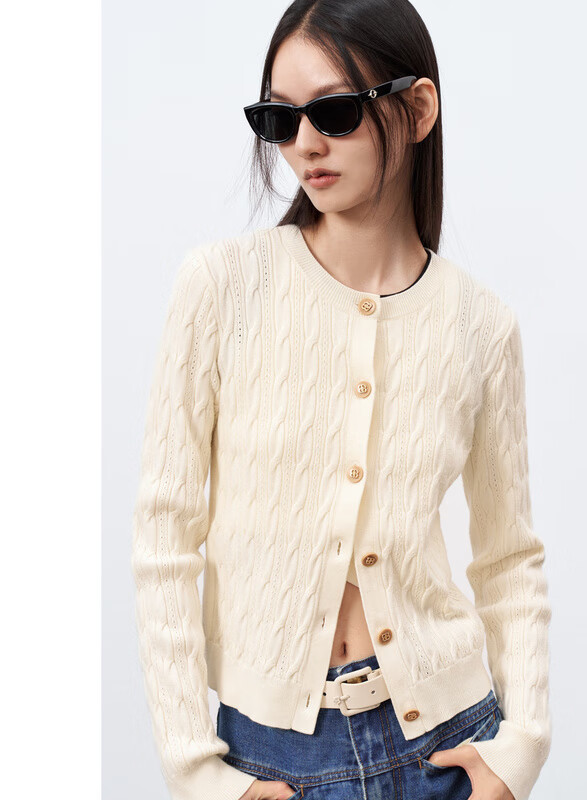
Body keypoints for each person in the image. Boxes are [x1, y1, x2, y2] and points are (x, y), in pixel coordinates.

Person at [130, 1, 552, 799]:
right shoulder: (222, 288)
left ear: (417, 109)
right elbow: (164, 541)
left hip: (448, 745)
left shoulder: (481, 325)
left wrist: (521, 746)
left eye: (333, 111)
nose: (305, 144)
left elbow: (509, 558)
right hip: (271, 761)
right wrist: (197, 772)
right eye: (279, 119)